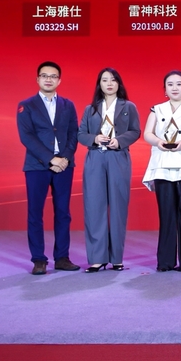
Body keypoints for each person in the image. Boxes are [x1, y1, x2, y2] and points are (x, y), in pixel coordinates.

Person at [16, 61, 80, 275]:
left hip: (64, 166)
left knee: (63, 212)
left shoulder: (68, 105)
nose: (48, 79)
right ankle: (38, 259)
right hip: (37, 166)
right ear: (37, 79)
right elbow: (27, 137)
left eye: (53, 76)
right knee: (35, 213)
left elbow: (74, 133)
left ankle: (62, 257)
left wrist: (65, 158)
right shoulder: (26, 105)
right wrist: (51, 159)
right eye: (44, 75)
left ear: (59, 80)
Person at [142, 71, 181, 272]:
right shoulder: (157, 109)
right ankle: (165, 261)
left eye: (179, 84)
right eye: (170, 84)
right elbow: (147, 133)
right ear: (165, 89)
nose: (175, 88)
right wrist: (158, 142)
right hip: (163, 164)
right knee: (166, 213)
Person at [77, 68, 141, 272]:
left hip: (118, 157)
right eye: (105, 80)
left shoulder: (128, 106)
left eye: (113, 80)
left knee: (118, 207)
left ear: (119, 83)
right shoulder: (90, 109)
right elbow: (81, 134)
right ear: (100, 84)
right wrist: (94, 138)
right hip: (95, 157)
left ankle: (116, 258)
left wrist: (119, 141)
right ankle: (97, 258)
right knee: (94, 206)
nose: (109, 84)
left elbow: (135, 131)